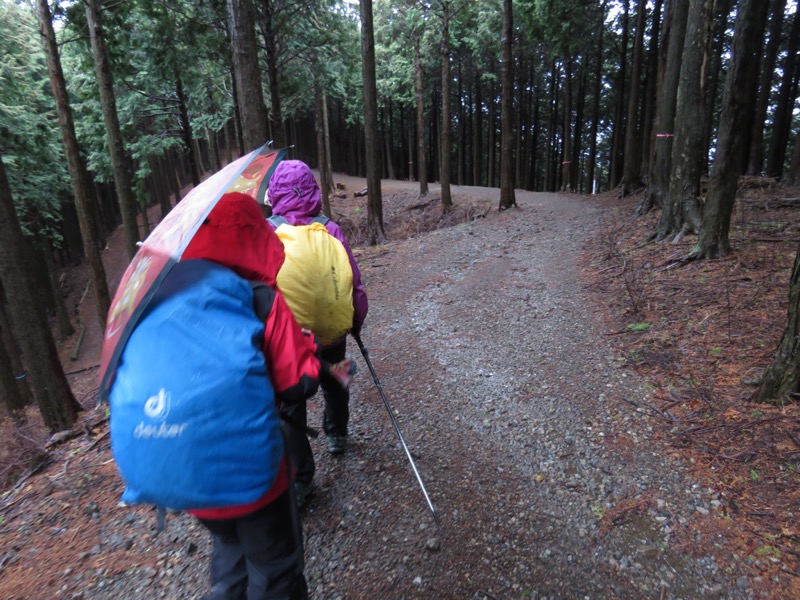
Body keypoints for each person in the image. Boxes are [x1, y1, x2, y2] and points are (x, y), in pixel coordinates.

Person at [113, 192, 350, 599]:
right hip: (251, 472)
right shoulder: (260, 300)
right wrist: (305, 351)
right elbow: (298, 385)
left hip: (172, 466)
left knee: (230, 546)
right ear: (255, 237)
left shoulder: (154, 297)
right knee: (276, 567)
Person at [266, 160, 368, 509]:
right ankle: (337, 433)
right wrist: (357, 320)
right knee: (338, 379)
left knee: (291, 404)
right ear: (311, 189)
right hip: (334, 330)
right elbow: (352, 280)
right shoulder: (331, 228)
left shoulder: (269, 231)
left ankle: (301, 480)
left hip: (291, 339)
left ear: (276, 192)